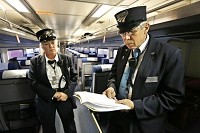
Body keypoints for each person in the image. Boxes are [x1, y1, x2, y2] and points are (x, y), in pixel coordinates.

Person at [103, 6, 185, 133]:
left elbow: (172, 97)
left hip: (144, 125)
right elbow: (113, 75)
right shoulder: (121, 51)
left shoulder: (169, 54)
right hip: (116, 119)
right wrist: (111, 87)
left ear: (146, 27)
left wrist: (136, 106)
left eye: (131, 32)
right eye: (123, 34)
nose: (126, 39)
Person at [28, 29, 77, 133]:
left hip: (64, 96)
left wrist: (67, 94)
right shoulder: (34, 62)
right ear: (41, 46)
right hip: (45, 98)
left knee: (70, 126)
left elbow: (74, 77)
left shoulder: (66, 59)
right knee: (48, 128)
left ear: (57, 43)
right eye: (46, 44)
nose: (51, 46)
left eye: (53, 43)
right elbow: (33, 83)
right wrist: (53, 94)